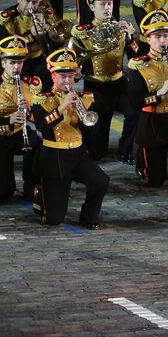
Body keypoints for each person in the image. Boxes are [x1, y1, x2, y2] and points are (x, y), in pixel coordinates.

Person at [32, 49, 109, 228]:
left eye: (71, 76)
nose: (68, 81)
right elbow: (41, 127)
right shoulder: (42, 100)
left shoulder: (85, 98)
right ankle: (41, 195)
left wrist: (84, 118)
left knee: (101, 180)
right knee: (54, 219)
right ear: (52, 76)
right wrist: (62, 107)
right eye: (63, 76)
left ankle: (88, 217)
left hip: (78, 154)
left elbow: (94, 131)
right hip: (54, 156)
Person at [69, 0, 141, 161]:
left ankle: (126, 151)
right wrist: (76, 73)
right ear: (92, 7)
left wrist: (131, 39)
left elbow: (135, 59)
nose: (107, 8)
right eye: (102, 4)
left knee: (134, 112)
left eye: (110, 3)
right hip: (96, 88)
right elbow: (70, 61)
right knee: (97, 152)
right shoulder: (81, 32)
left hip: (119, 84)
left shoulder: (120, 28)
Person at [126, 9, 168, 193]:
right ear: (148, 39)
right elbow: (135, 102)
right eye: (157, 36)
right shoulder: (139, 66)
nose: (163, 40)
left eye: (165, 36)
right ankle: (143, 158)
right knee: (156, 181)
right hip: (152, 120)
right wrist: (160, 93)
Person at [0, 35, 42, 204]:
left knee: (37, 143)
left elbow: (42, 118)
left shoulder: (31, 85)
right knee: (3, 194)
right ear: (3, 63)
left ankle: (30, 184)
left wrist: (31, 111)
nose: (16, 67)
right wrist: (8, 121)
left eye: (19, 62)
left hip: (19, 134)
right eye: (12, 63)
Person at [0, 0, 69, 86]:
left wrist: (47, 32)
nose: (31, 6)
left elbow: (57, 44)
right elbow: (8, 48)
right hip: (17, 64)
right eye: (27, 1)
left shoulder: (45, 14)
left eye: (35, 2)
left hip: (40, 62)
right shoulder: (6, 18)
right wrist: (32, 34)